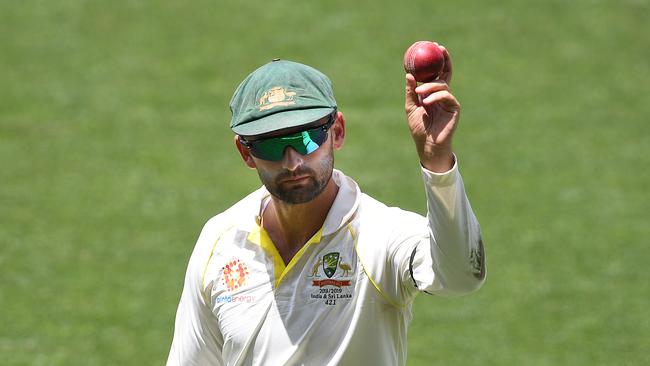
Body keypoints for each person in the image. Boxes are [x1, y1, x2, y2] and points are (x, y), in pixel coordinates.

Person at [167, 45, 486, 365]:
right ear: (246, 153)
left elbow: (461, 276)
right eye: (272, 145)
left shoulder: (382, 236)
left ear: (337, 132)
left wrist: (437, 162)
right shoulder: (220, 240)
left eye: (308, 138)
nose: (293, 162)